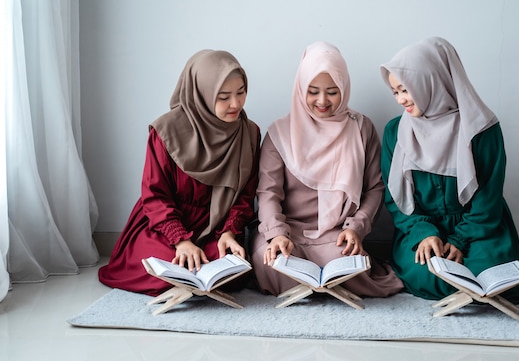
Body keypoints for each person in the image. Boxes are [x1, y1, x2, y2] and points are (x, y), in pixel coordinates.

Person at [379, 37, 519, 304]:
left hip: (479, 227)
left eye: (406, 90)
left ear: (432, 80)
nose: (401, 100)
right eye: (395, 92)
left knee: (486, 274)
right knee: (426, 273)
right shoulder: (396, 132)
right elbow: (395, 199)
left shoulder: (481, 129)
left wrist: (460, 239)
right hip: (422, 229)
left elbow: (488, 197)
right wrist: (424, 233)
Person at [98, 49, 260, 296]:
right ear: (202, 94)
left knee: (232, 271)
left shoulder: (248, 134)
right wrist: (181, 241)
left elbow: (245, 196)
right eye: (223, 96)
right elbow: (155, 196)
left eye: (241, 92)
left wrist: (228, 232)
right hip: (164, 227)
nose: (235, 104)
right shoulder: (166, 132)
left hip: (215, 231)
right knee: (171, 269)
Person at [250, 41, 404, 298]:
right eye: (313, 91)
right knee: (271, 263)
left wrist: (356, 228)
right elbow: (268, 193)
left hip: (337, 234)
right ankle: (317, 283)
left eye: (332, 91)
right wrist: (276, 234)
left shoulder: (360, 128)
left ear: (344, 88)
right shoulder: (280, 133)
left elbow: (375, 188)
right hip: (288, 230)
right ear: (300, 88)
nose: (322, 101)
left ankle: (317, 284)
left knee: (349, 266)